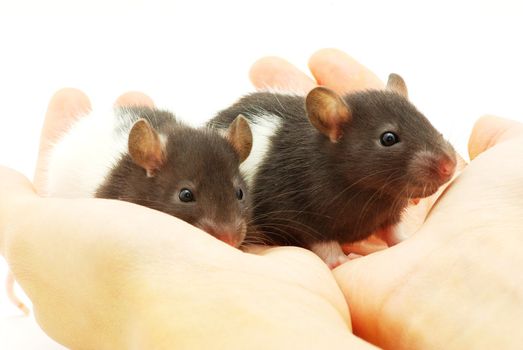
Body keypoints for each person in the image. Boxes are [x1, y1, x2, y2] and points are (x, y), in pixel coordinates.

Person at [1, 48, 522, 349]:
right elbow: (288, 207)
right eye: (389, 141)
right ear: (332, 128)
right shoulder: (301, 176)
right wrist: (322, 243)